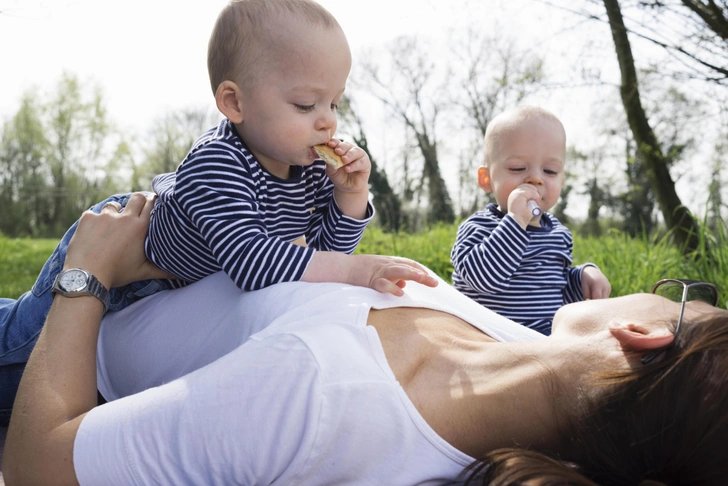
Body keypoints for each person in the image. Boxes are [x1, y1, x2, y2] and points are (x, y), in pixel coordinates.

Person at [4, 192, 728, 485]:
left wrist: (87, 274)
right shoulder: (529, 365)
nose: (663, 291)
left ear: (638, 335)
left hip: (72, 334)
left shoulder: (324, 392)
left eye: (687, 300)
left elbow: (35, 465)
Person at [0, 0, 408, 422]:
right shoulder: (218, 162)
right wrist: (357, 271)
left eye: (335, 104)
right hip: (118, 244)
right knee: (23, 345)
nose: (327, 123)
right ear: (234, 103)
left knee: (64, 371)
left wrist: (350, 198)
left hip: (169, 285)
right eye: (306, 105)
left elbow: (324, 256)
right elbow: (253, 263)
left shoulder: (306, 169)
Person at [451, 105, 611, 334]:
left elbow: (557, 290)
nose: (535, 178)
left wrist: (583, 277)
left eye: (550, 171)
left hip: (545, 340)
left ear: (562, 180)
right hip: (488, 340)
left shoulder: (558, 233)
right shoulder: (478, 227)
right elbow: (484, 280)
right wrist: (515, 220)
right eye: (518, 168)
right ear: (486, 179)